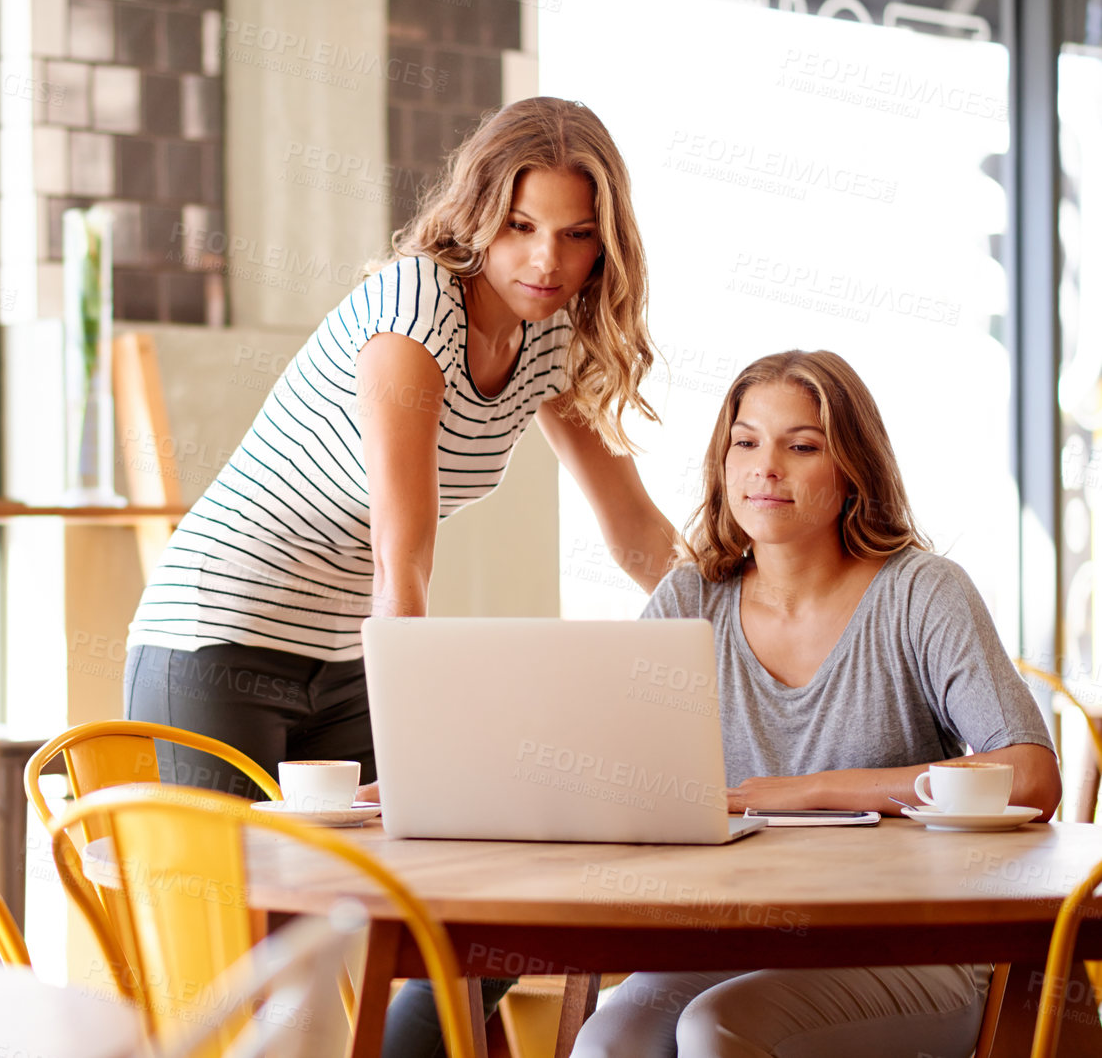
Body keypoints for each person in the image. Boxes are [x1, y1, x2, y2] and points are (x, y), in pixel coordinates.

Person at [385, 349, 1062, 1058]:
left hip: (922, 949)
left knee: (718, 1030)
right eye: (745, 441)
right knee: (609, 1038)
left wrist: (815, 790)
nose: (764, 466)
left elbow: (1029, 776)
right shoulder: (689, 599)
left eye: (801, 446)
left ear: (852, 468)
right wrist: (434, 775)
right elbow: (599, 760)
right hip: (737, 936)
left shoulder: (921, 592)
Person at [123, 97, 677, 801]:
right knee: (237, 902)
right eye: (520, 226)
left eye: (575, 233)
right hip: (219, 633)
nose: (547, 259)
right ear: (479, 214)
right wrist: (421, 727)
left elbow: (634, 530)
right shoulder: (416, 306)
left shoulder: (555, 335)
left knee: (374, 896)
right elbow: (401, 551)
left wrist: (751, 635)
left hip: (344, 655)